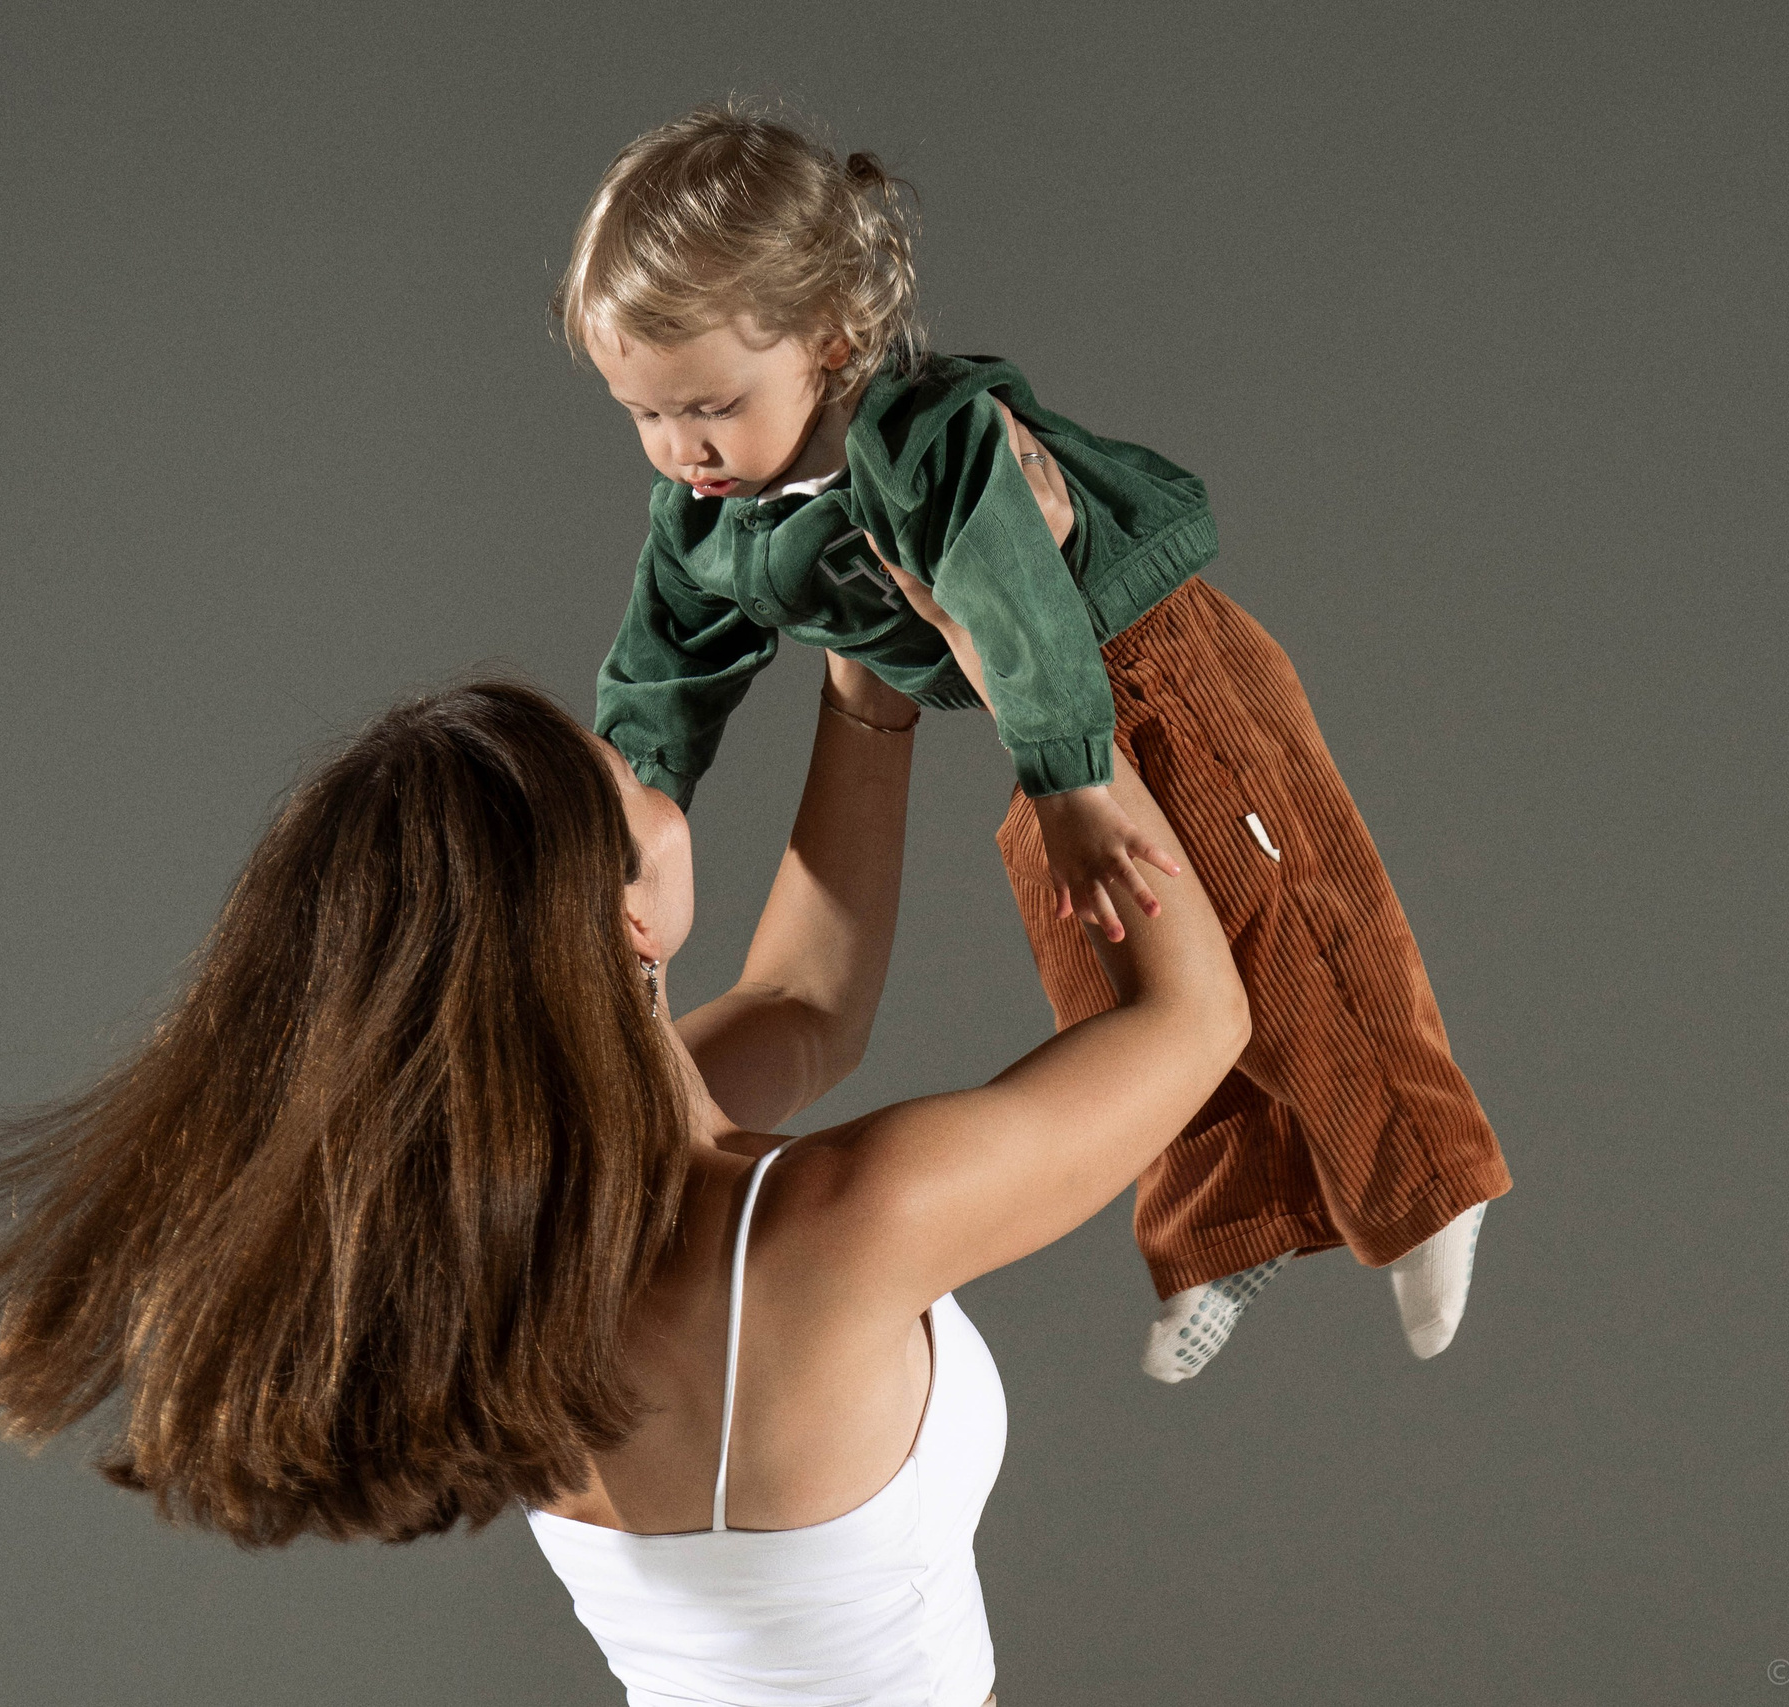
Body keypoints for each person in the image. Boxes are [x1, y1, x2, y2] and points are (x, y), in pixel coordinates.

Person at [0, 653, 1247, 1706]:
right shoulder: (825, 1229)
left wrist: (866, 692)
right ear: (618, 915)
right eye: (630, 786)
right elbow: (1199, 1021)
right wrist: (1025, 654)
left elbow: (808, 1006)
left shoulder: (526, 1225)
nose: (660, 771)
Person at [564, 104, 1510, 1379]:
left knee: (1286, 915)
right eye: (644, 417)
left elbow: (1011, 602)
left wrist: (1068, 778)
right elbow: (660, 670)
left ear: (831, 341)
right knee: (1112, 974)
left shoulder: (927, 439)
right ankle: (1226, 1222)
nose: (682, 453)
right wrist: (623, 801)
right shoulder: (707, 520)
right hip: (1032, 720)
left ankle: (1425, 1180)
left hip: (1147, 664)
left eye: (710, 408)